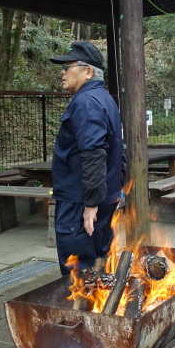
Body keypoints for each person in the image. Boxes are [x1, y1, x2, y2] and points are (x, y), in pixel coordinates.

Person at [50, 41, 123, 275]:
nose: (62, 72)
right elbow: (118, 149)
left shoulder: (86, 102)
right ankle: (101, 308)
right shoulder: (104, 98)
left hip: (79, 201)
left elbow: (93, 154)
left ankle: (82, 310)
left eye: (68, 66)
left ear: (88, 71)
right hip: (98, 196)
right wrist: (116, 189)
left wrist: (91, 203)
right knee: (99, 260)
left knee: (79, 270)